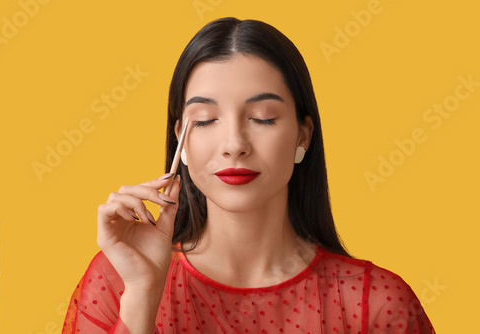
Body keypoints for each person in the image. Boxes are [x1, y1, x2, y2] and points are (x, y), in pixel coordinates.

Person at [62, 17, 435, 334]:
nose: (234, 144)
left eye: (263, 118)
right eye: (206, 120)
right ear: (181, 140)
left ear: (303, 134)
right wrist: (143, 294)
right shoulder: (120, 280)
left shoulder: (377, 304)